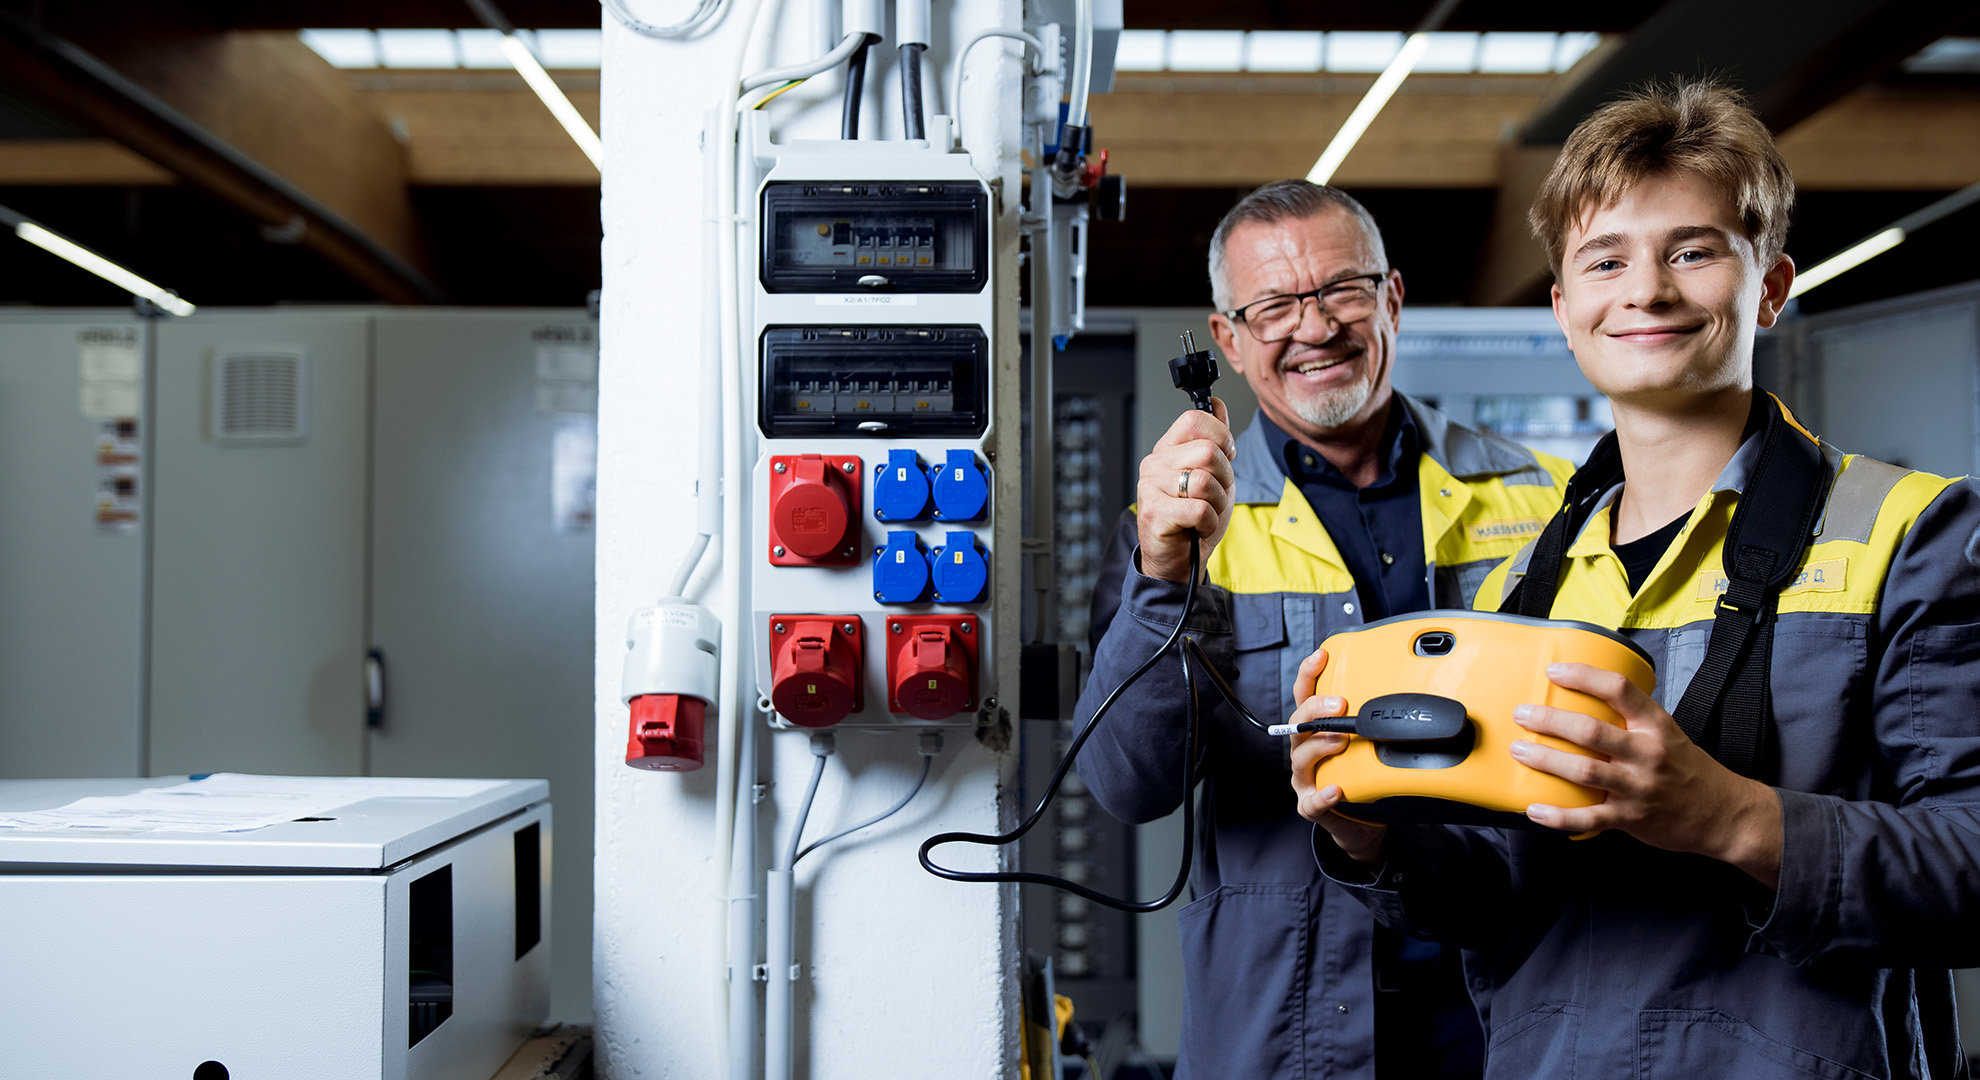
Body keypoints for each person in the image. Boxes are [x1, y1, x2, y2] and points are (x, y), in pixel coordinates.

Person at [1292, 80, 1980, 1078]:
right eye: (1606, 260)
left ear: (1772, 285)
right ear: (1567, 310)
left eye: (1693, 251)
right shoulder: (1523, 588)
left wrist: (1731, 816)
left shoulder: (1910, 532)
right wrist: (1372, 837)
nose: (1647, 290)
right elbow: (1501, 890)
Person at [1072, 179, 1574, 1079]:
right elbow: (1129, 785)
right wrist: (1163, 574)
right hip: (1284, 1026)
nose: (1315, 329)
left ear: (1392, 297)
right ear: (1226, 339)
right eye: (1272, 307)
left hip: (1509, 1008)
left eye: (1344, 289)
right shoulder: (1174, 533)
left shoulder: (1544, 500)